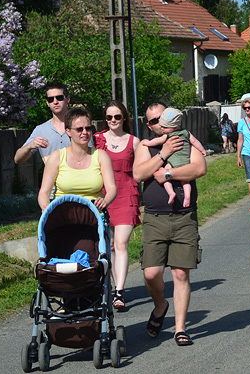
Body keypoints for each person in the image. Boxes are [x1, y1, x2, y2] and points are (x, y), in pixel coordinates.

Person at [134, 102, 207, 347]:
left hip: (184, 216)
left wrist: (168, 174)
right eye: (153, 121)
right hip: (155, 217)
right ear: (150, 125)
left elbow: (199, 167)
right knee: (151, 272)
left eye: (161, 118)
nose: (158, 123)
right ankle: (160, 305)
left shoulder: (182, 138)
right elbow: (139, 174)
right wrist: (163, 154)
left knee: (180, 273)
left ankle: (180, 328)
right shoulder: (146, 146)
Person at [94, 101, 141, 311]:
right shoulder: (97, 140)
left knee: (121, 243)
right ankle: (113, 287)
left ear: (124, 118)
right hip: (102, 196)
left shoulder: (134, 142)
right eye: (109, 117)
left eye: (117, 117)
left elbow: (140, 171)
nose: (113, 121)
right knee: (109, 245)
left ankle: (119, 291)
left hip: (126, 193)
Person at [38, 107, 117, 211]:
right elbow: (44, 192)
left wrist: (105, 201)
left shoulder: (101, 156)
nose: (84, 132)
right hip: (63, 217)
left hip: (94, 217)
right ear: (68, 131)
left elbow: (112, 188)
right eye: (79, 129)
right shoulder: (57, 156)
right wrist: (46, 207)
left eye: (88, 128)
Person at [143, 107, 207, 207]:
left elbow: (157, 141)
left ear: (174, 127)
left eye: (165, 126)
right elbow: (195, 141)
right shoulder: (186, 133)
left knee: (165, 176)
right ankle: (187, 196)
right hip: (185, 162)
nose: (162, 127)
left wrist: (147, 143)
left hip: (172, 163)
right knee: (186, 181)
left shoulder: (168, 136)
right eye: (156, 122)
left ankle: (171, 193)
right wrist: (203, 150)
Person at [15, 82, 76, 165]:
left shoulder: (81, 126)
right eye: (51, 99)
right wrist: (30, 145)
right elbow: (17, 159)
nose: (55, 102)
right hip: (52, 177)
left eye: (59, 98)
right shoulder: (41, 130)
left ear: (68, 99)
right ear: (47, 103)